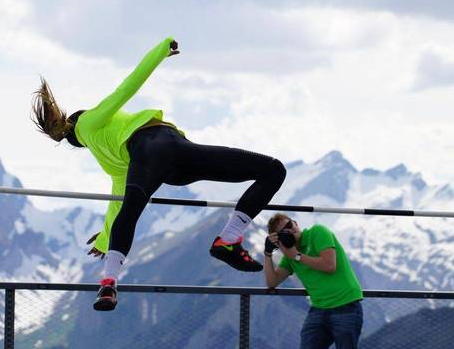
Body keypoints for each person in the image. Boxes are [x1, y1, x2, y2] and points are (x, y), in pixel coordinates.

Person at [31, 37, 286, 311]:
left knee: (131, 208)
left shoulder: (108, 159)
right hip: (175, 152)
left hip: (163, 164)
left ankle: (109, 282)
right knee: (273, 169)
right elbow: (127, 87)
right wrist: (161, 49)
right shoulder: (90, 120)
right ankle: (229, 236)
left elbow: (120, 201)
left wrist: (106, 238)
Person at [263, 213, 363, 349]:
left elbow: (329, 265)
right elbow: (272, 282)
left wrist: (296, 256)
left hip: (345, 305)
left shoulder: (318, 232)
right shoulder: (289, 255)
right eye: (284, 231)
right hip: (319, 308)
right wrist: (268, 253)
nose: (290, 229)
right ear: (280, 239)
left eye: (290, 224)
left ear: (296, 223)